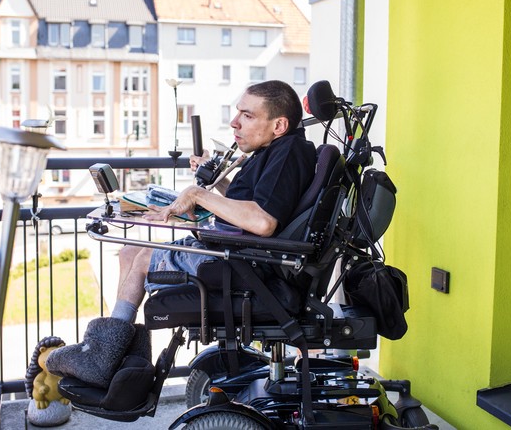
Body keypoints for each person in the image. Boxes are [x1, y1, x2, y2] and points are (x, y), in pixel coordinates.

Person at [46, 80, 317, 389]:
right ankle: (120, 355)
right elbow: (252, 205)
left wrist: (198, 195)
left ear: (279, 124)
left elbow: (264, 221)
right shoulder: (275, 150)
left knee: (144, 257)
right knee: (128, 252)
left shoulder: (288, 153)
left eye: (247, 115)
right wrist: (212, 185)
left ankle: (101, 357)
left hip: (246, 266)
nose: (234, 122)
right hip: (239, 252)